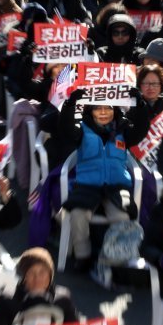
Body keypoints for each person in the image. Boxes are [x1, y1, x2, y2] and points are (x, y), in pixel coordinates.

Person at [59, 88, 141, 270]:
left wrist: (140, 104)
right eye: (98, 108)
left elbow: (141, 130)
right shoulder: (82, 130)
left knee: (123, 217)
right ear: (90, 111)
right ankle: (83, 256)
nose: (103, 112)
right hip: (88, 186)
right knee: (78, 215)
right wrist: (70, 104)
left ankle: (112, 257)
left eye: (108, 108)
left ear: (115, 110)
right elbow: (65, 128)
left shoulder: (123, 130)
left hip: (117, 187)